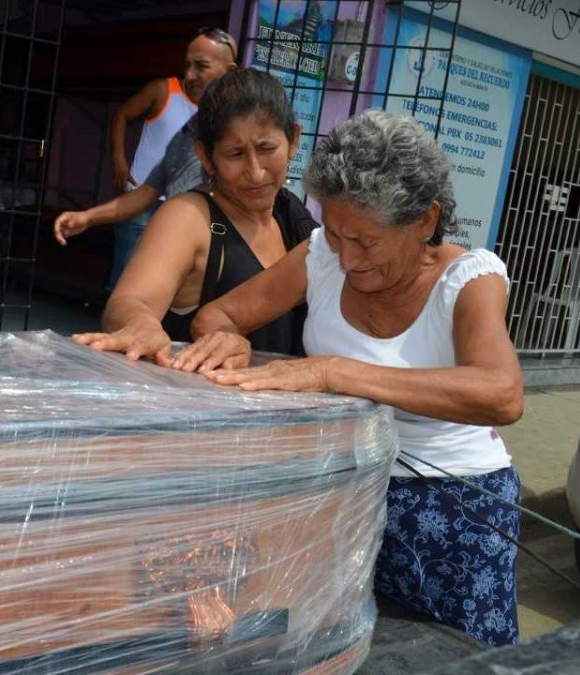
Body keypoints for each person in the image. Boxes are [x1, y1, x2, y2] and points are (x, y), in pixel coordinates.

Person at [170, 109, 524, 646]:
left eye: (367, 241)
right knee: (339, 646)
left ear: (424, 221)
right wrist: (229, 337)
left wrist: (335, 372)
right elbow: (216, 315)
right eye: (336, 234)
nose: (349, 258)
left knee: (453, 655)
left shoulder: (468, 279)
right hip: (343, 492)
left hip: (454, 510)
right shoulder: (322, 257)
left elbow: (501, 394)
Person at [71, 68, 318, 362]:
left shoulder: (293, 217)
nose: (255, 172)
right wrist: (142, 325)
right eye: (235, 154)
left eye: (267, 148)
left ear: (293, 140)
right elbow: (130, 300)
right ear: (205, 156)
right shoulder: (189, 218)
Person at [53, 26, 239, 279]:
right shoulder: (186, 136)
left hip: (224, 249)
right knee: (131, 287)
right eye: (187, 65)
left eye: (201, 66)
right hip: (175, 234)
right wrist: (87, 217)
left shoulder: (245, 124)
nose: (190, 74)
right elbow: (148, 191)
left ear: (229, 72)